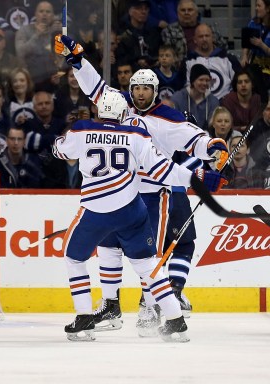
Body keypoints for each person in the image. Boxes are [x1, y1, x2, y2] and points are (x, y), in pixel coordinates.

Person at [55, 34, 230, 335]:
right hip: (125, 194)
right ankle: (111, 305)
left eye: (145, 88)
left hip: (152, 194)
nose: (139, 93)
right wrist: (78, 60)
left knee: (149, 258)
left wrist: (211, 146)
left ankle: (149, 306)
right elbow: (95, 86)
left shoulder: (168, 118)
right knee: (109, 249)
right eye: (135, 88)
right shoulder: (120, 105)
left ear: (155, 90)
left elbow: (195, 138)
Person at [184, 23, 241, 100]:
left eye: (207, 36)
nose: (204, 39)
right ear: (195, 40)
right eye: (201, 36)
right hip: (196, 106)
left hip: (225, 106)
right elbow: (184, 87)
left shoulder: (229, 59)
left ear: (213, 38)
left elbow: (239, 83)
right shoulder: (187, 61)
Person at [161, 0, 227, 66]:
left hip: (211, 66)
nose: (186, 13)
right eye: (183, 10)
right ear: (178, 13)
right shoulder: (169, 31)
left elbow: (223, 47)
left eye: (190, 10)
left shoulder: (208, 29)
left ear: (197, 13)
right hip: (181, 69)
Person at [172, 63, 220, 130]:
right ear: (193, 81)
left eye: (207, 80)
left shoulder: (213, 101)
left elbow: (212, 126)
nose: (204, 83)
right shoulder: (178, 98)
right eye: (201, 80)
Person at [115, 0, 161, 70]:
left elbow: (157, 54)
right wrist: (136, 62)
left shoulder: (154, 33)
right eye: (139, 8)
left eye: (146, 9)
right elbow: (121, 58)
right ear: (130, 11)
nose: (143, 12)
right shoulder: (122, 34)